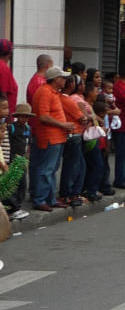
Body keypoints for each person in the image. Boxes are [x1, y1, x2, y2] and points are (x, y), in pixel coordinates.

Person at [30, 67, 73, 211]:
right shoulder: (45, 92)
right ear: (56, 79)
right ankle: (40, 199)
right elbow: (43, 116)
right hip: (49, 137)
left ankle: (50, 199)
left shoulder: (52, 92)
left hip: (56, 137)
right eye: (63, 77)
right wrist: (63, 124)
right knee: (46, 169)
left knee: (51, 169)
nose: (65, 80)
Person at [58, 75, 88, 206]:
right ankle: (68, 194)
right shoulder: (68, 100)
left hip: (70, 135)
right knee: (73, 166)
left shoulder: (61, 98)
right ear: (71, 85)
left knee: (75, 165)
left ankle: (72, 193)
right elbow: (83, 118)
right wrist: (85, 114)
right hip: (73, 135)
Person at [1, 103, 33, 220]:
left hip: (22, 160)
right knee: (12, 185)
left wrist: (26, 158)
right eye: (22, 116)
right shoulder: (11, 128)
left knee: (22, 185)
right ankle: (12, 208)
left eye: (26, 117)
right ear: (17, 116)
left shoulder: (28, 129)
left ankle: (18, 205)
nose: (24, 119)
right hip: (12, 160)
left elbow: (28, 145)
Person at [0, 39, 18, 113]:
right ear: (10, 53)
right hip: (2, 115)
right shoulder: (3, 68)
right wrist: (9, 119)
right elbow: (3, 93)